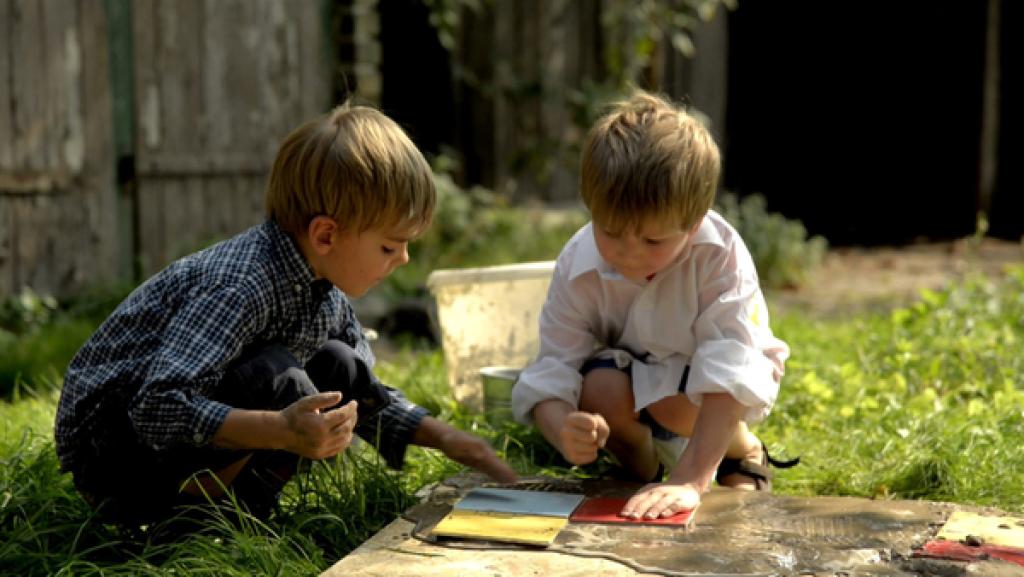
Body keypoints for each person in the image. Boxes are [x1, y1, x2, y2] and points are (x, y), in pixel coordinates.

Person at [55, 102, 517, 527]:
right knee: (282, 378)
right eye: (389, 246)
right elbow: (155, 407)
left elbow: (364, 393)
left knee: (338, 364)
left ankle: (227, 515)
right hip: (111, 456)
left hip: (166, 437)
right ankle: (193, 523)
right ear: (326, 235)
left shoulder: (322, 288)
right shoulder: (242, 284)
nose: (404, 259)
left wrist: (452, 440)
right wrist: (281, 431)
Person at [511, 90, 796, 520]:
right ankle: (645, 468)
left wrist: (690, 481)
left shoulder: (718, 254)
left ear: (693, 223)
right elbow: (554, 365)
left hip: (702, 394)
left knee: (669, 398)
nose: (629, 252)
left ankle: (741, 449)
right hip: (623, 385)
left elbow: (732, 368)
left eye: (652, 240)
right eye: (610, 231)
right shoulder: (577, 261)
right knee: (598, 389)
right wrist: (562, 429)